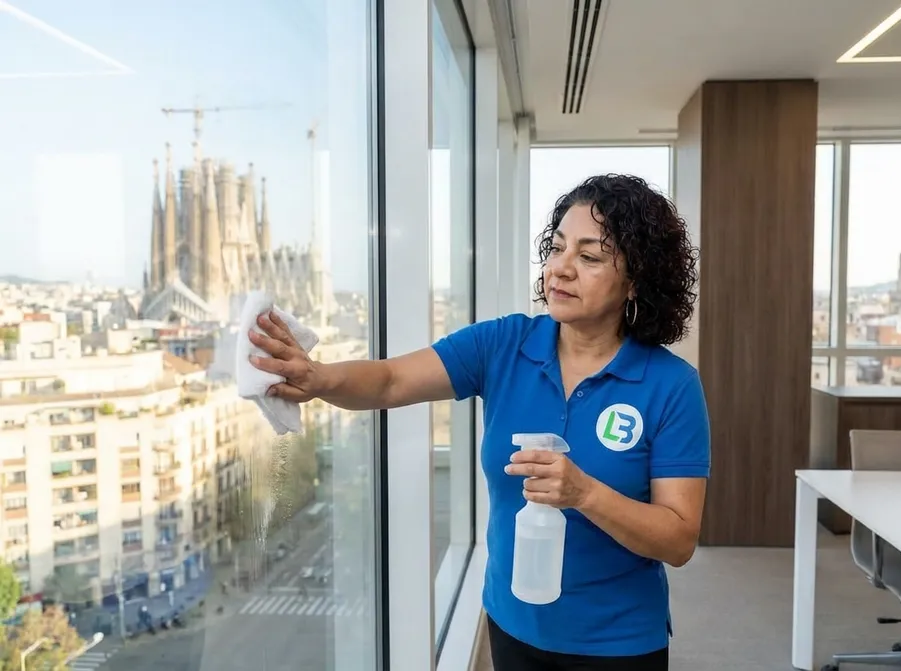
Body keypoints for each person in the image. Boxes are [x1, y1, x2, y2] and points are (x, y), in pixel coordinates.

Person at [249, 173, 709, 670]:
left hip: (618, 643)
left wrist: (585, 494)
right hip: (512, 625)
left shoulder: (671, 385)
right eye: (556, 249)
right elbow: (390, 381)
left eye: (590, 256)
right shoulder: (503, 345)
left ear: (636, 280)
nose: (561, 269)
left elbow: (678, 539)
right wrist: (317, 378)